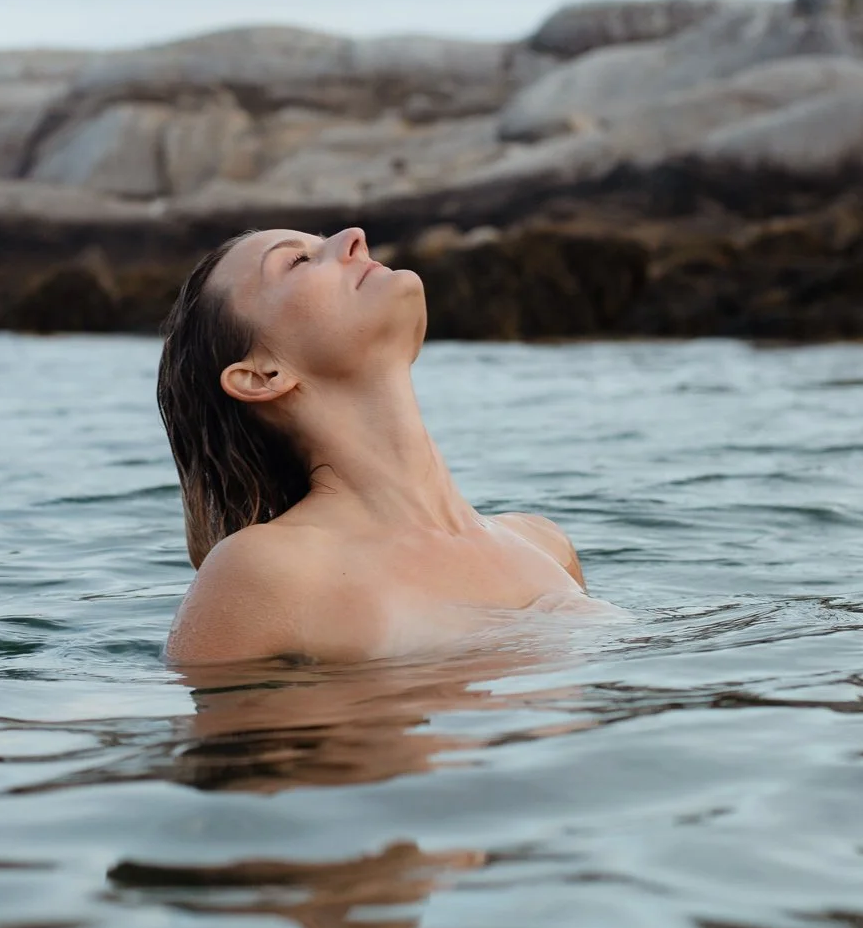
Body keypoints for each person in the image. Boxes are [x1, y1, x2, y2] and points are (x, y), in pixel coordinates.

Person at [157, 226, 591, 665]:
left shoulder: (545, 543)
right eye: (297, 261)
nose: (354, 236)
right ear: (262, 375)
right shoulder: (266, 571)